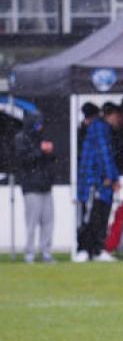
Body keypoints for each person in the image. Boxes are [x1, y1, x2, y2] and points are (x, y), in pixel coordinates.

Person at [75, 103, 121, 262]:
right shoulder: (100, 129)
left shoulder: (100, 129)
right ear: (109, 115)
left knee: (99, 215)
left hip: (96, 180)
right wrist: (111, 176)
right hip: (94, 181)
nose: (118, 120)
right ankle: (84, 249)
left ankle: (96, 250)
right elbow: (104, 153)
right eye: (117, 116)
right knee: (93, 216)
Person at [14, 113, 56, 263]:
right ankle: (29, 254)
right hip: (31, 187)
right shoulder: (21, 138)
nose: (40, 127)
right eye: (37, 124)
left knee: (48, 222)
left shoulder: (42, 138)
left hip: (45, 186)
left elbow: (52, 159)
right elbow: (23, 160)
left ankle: (46, 252)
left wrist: (49, 152)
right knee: (31, 222)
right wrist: (41, 151)